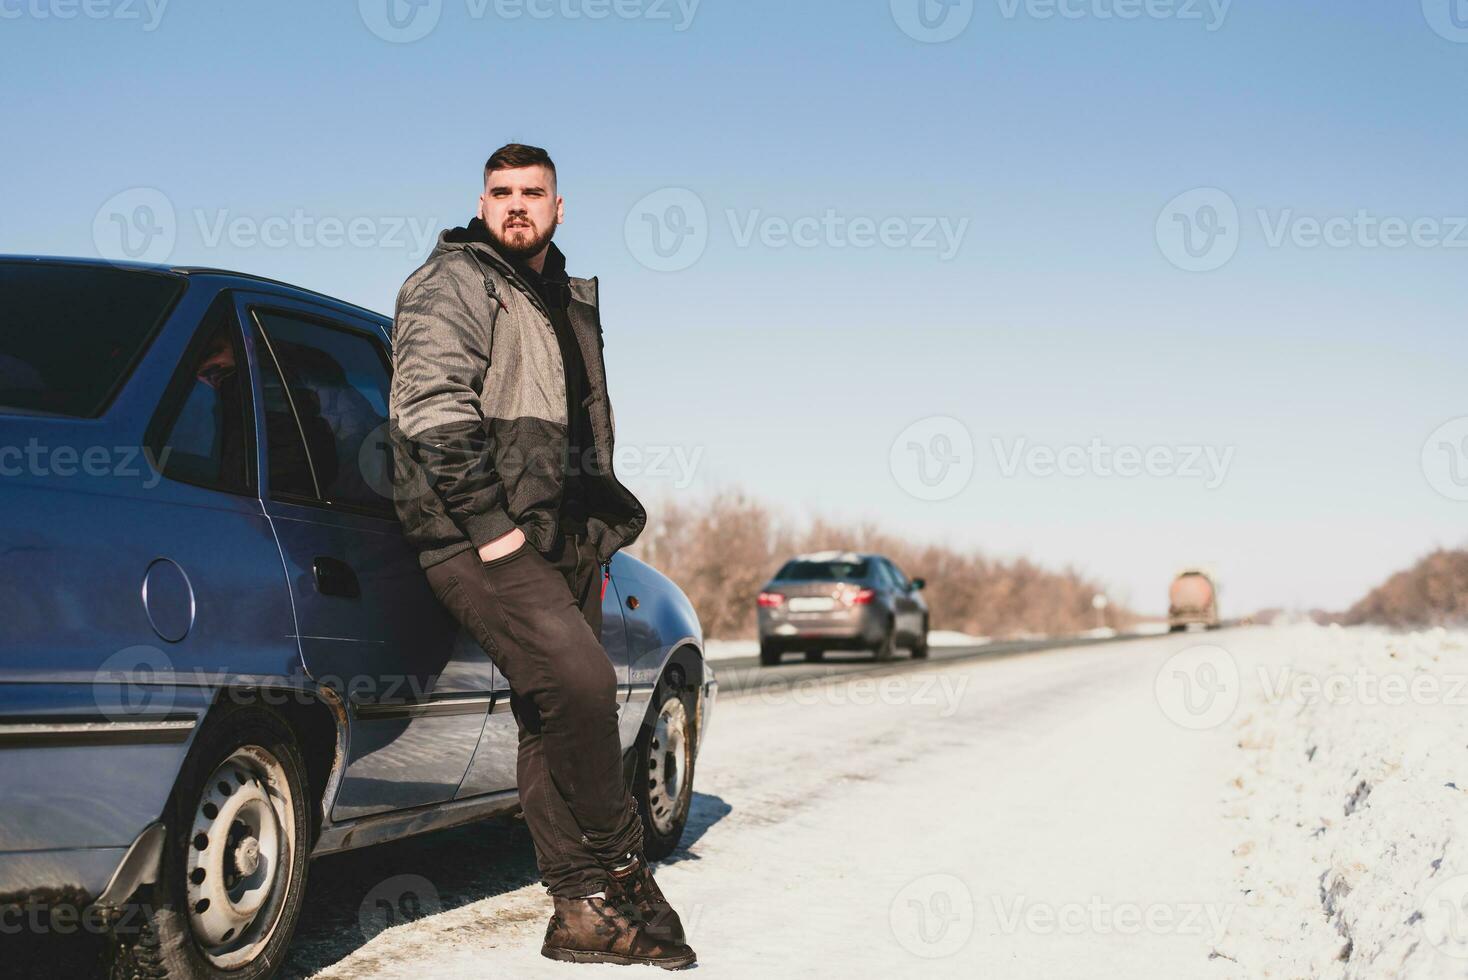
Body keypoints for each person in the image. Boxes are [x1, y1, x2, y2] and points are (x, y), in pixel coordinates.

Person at [387, 143, 695, 970]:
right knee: (588, 685)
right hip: (478, 535)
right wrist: (491, 525)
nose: (516, 204)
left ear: (560, 207)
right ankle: (628, 875)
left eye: (533, 192)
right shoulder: (453, 280)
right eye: (500, 192)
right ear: (481, 202)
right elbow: (429, 407)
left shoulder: (559, 295)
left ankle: (578, 914)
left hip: (556, 536)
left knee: (548, 715)